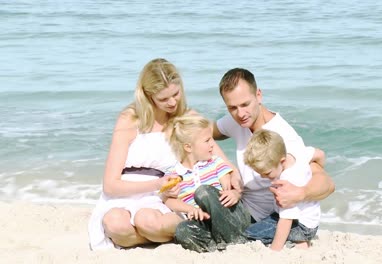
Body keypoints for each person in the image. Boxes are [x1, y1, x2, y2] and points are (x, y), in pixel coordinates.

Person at [87, 58, 235, 250]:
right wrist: (156, 184)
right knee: (115, 225)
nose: (173, 102)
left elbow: (217, 157)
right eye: (164, 99)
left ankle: (181, 231)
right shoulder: (129, 120)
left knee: (147, 221)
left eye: (176, 94)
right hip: (127, 190)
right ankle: (159, 238)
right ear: (148, 96)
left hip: (164, 196)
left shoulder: (186, 118)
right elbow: (110, 185)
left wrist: (234, 182)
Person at [212, 67, 335, 224]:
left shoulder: (282, 136)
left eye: (245, 104)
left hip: (268, 218)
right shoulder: (237, 119)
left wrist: (302, 193)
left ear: (258, 95)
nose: (240, 114)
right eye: (232, 108)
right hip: (241, 204)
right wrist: (229, 168)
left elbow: (327, 183)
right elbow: (202, 133)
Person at [164, 114, 251, 252]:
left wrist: (235, 194)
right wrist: (191, 210)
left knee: (203, 192)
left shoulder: (215, 163)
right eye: (207, 140)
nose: (212, 144)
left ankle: (234, 239)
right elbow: (169, 200)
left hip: (231, 218)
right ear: (188, 147)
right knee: (182, 230)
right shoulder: (175, 174)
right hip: (206, 224)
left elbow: (230, 187)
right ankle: (215, 245)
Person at [243, 129, 321, 251]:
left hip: (300, 226)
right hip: (312, 220)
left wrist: (275, 250)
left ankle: (297, 241)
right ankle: (300, 239)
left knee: (249, 233)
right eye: (260, 173)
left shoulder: (285, 184)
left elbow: (286, 220)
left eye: (267, 173)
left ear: (282, 161)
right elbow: (319, 154)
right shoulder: (297, 153)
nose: (263, 177)